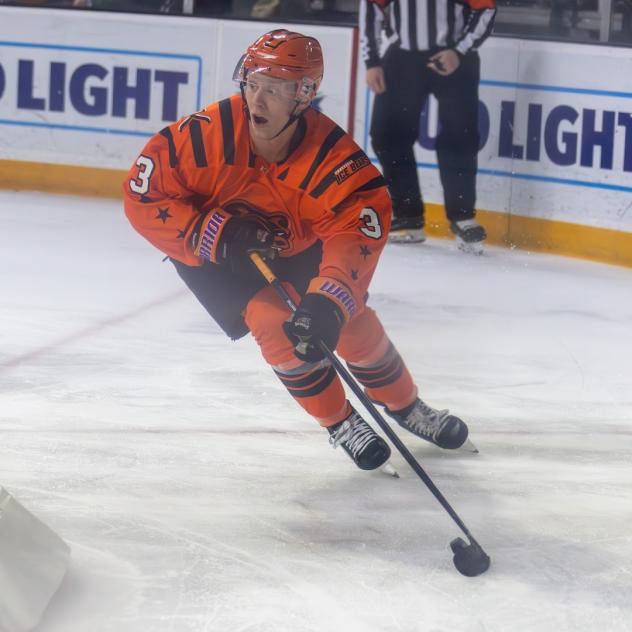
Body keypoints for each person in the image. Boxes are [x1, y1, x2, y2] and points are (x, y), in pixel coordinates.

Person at [123, 29, 470, 472]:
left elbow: (358, 230)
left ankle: (406, 407)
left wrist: (330, 298)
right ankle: (339, 421)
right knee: (274, 322)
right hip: (212, 250)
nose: (257, 100)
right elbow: (142, 193)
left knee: (351, 324)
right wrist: (214, 233)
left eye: (274, 89)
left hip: (299, 244)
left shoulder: (334, 158)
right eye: (252, 84)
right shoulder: (204, 136)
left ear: (304, 94)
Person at [360, 0, 497, 252]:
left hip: (456, 57)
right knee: (387, 135)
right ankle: (408, 214)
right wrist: (372, 61)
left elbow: (486, 7)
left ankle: (462, 217)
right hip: (402, 58)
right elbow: (372, 8)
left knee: (459, 136)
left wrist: (460, 50)